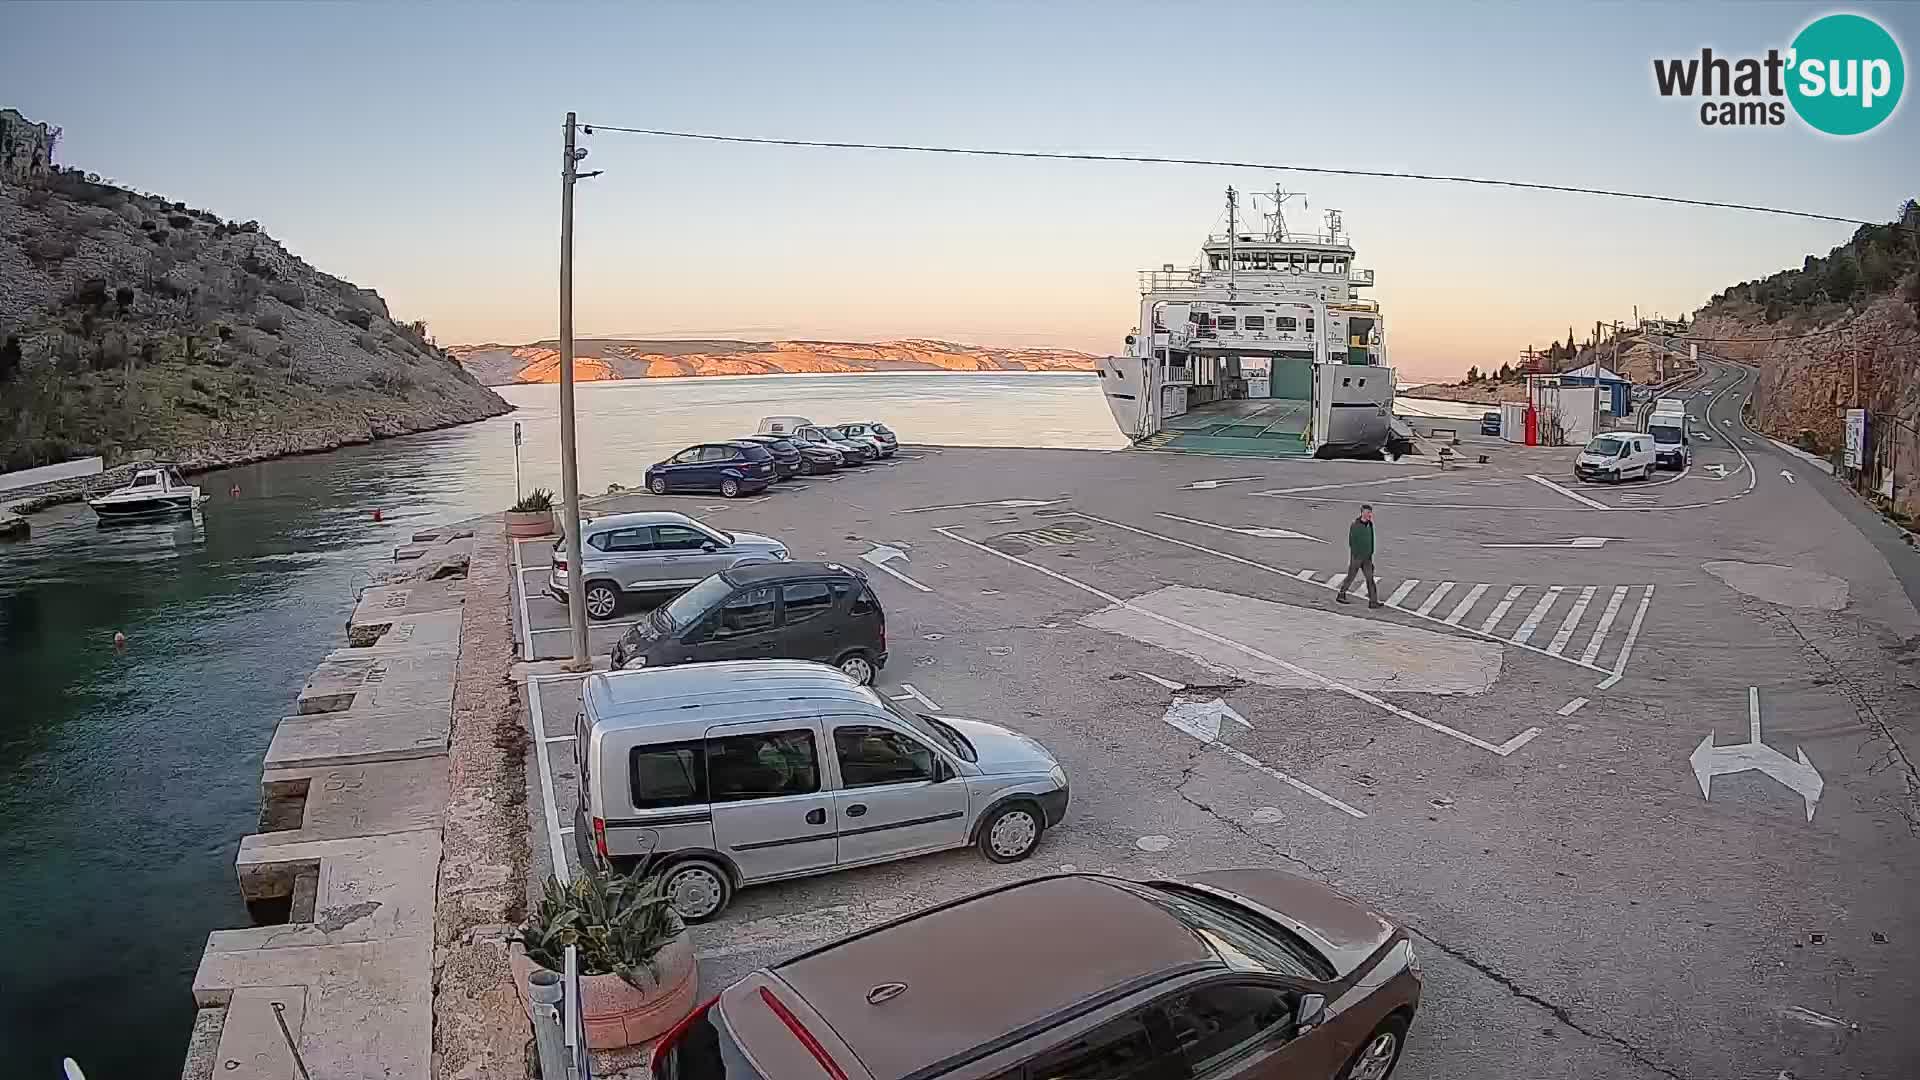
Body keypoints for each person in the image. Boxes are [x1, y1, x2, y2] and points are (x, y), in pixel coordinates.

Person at [1335, 505, 1381, 608]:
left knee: (1370, 578)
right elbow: (1352, 542)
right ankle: (1341, 594)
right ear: (1362, 513)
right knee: (1351, 576)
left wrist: (1370, 553)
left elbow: (1371, 539)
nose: (1369, 514)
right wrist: (1356, 554)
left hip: (1367, 558)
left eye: (1370, 512)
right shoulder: (1355, 525)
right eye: (1367, 512)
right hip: (1357, 557)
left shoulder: (1370, 524)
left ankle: (1373, 602)